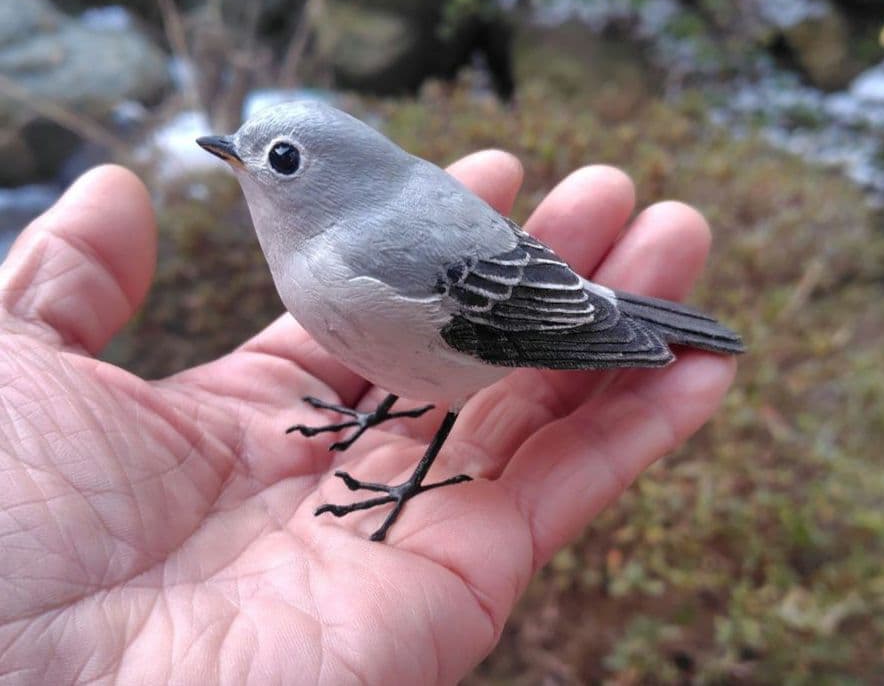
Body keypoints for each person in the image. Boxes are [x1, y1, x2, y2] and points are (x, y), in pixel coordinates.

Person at [0, 151, 737, 684]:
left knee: (444, 398)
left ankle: (406, 484)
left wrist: (403, 485)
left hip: (519, 314)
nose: (245, 159)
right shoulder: (328, 247)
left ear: (332, 170)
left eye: (279, 159)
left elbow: (490, 321)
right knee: (420, 368)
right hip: (504, 291)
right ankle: (377, 417)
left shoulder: (358, 254)